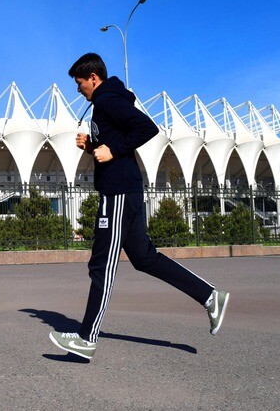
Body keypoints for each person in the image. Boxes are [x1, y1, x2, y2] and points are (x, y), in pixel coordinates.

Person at [49, 52, 229, 361]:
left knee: (101, 265)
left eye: (79, 84)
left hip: (118, 193)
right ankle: (210, 296)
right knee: (144, 258)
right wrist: (92, 147)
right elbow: (114, 142)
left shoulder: (107, 100)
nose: (78, 90)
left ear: (93, 78)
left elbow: (147, 128)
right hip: (123, 190)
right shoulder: (105, 102)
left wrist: (112, 149)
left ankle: (87, 339)